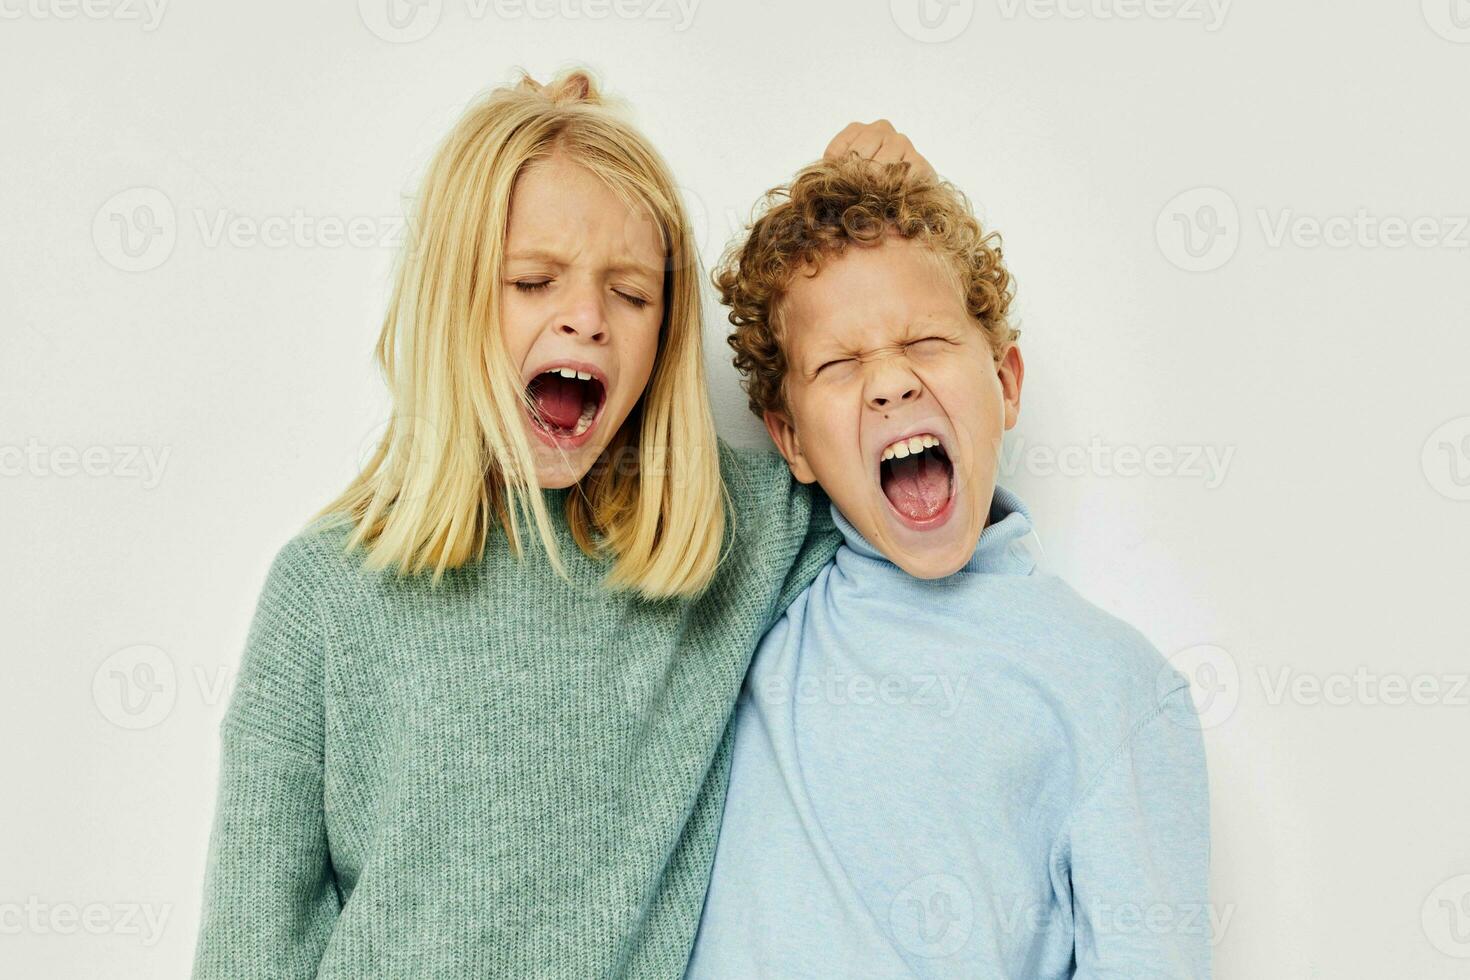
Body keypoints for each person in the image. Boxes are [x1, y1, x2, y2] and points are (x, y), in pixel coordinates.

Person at [191, 70, 926, 978]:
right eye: (534, 281)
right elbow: (247, 952)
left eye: (631, 294)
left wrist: (866, 221)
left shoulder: (726, 539)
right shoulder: (323, 593)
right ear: (452, 296)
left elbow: (905, 487)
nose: (586, 320)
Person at [686, 156, 1212, 978]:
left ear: (1004, 382)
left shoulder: (1116, 688)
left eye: (926, 341)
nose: (891, 381)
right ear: (789, 440)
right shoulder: (753, 605)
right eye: (839, 363)